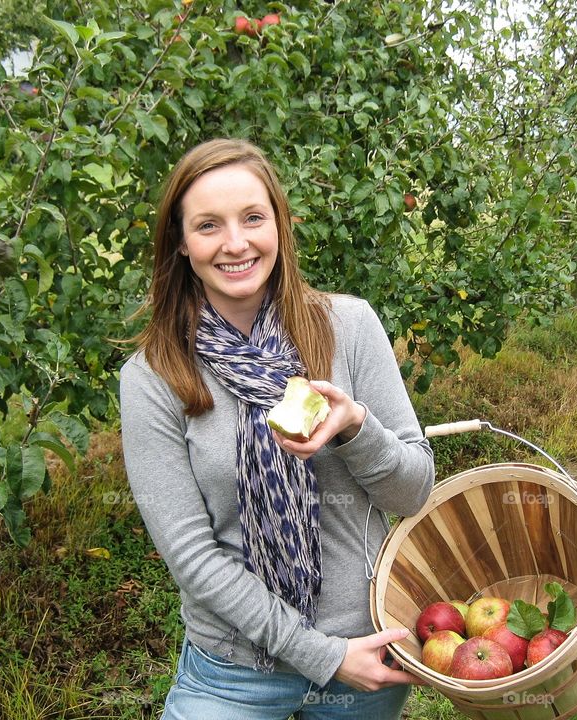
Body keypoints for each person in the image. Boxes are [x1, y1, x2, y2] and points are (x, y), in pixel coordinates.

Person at [119, 138, 434, 720]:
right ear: (181, 244)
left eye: (253, 218)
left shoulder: (348, 326)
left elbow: (413, 490)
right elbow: (192, 557)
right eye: (208, 225)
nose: (235, 243)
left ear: (280, 227)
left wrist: (355, 428)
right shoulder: (154, 376)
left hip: (364, 649)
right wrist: (320, 655)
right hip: (235, 666)